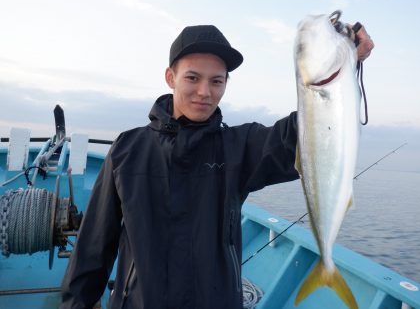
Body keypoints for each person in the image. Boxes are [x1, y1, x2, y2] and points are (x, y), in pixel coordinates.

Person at [60, 23, 374, 309]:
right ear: (171, 77)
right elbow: (93, 249)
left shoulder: (241, 146)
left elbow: (306, 135)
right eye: (192, 78)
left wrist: (345, 63)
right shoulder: (128, 150)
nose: (204, 92)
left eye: (216, 81)